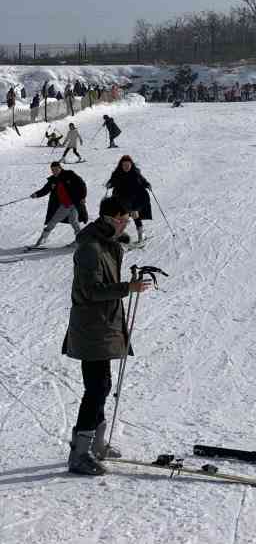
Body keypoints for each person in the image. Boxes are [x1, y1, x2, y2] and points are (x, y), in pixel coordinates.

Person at [62, 196, 152, 476]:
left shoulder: (108, 244)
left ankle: (95, 444)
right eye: (123, 218)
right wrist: (128, 287)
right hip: (92, 325)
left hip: (103, 323)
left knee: (102, 384)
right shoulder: (91, 248)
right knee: (97, 387)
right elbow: (91, 291)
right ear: (110, 219)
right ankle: (80, 453)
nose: (126, 222)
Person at [29, 161, 88, 247]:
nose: (54, 171)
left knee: (55, 221)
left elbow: (82, 184)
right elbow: (45, 189)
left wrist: (83, 197)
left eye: (56, 169)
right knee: (72, 222)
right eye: (52, 170)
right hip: (65, 205)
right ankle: (80, 240)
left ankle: (43, 239)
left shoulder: (69, 175)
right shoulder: (53, 180)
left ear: (60, 168)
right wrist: (36, 194)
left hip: (74, 204)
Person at [106, 156, 152, 245]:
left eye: (128, 165)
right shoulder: (117, 173)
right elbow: (112, 181)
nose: (126, 167)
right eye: (124, 165)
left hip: (136, 197)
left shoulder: (135, 173)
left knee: (134, 213)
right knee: (118, 216)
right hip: (121, 198)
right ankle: (116, 235)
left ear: (131, 165)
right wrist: (109, 184)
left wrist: (147, 184)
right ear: (121, 165)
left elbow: (143, 180)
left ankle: (141, 233)